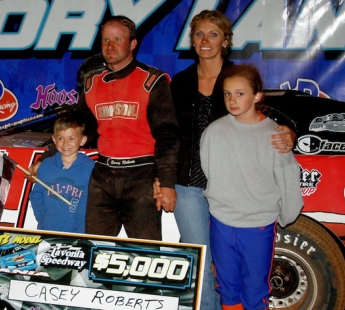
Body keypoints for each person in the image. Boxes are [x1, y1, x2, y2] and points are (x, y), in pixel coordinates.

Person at [165, 9, 297, 310]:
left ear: (226, 40)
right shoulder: (180, 82)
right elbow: (167, 134)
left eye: (213, 34)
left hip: (231, 187)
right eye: (199, 34)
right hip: (187, 186)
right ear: (192, 40)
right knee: (203, 262)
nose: (205, 40)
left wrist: (291, 132)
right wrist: (163, 179)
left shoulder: (239, 78)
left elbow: (264, 119)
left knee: (242, 273)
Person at [28, 15, 179, 240]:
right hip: (104, 173)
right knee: (92, 248)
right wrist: (47, 158)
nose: (110, 46)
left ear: (132, 44)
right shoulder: (92, 83)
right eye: (106, 40)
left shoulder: (152, 81)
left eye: (117, 39)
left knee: (143, 252)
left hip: (142, 175)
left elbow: (167, 135)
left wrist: (166, 182)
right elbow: (77, 127)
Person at [200, 64, 304, 310]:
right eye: (227, 94)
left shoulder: (275, 134)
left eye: (240, 93)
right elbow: (208, 170)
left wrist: (286, 214)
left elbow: (288, 176)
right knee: (227, 287)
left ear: (257, 96)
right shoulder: (214, 131)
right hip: (222, 223)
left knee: (255, 288)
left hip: (257, 226)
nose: (232, 100)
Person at [29, 110, 95, 233]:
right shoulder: (46, 165)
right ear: (54, 140)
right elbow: (36, 195)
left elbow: (90, 201)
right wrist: (43, 219)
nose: (65, 143)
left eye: (71, 138)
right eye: (60, 138)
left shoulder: (90, 168)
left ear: (82, 140)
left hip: (78, 233)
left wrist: (77, 222)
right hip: (47, 230)